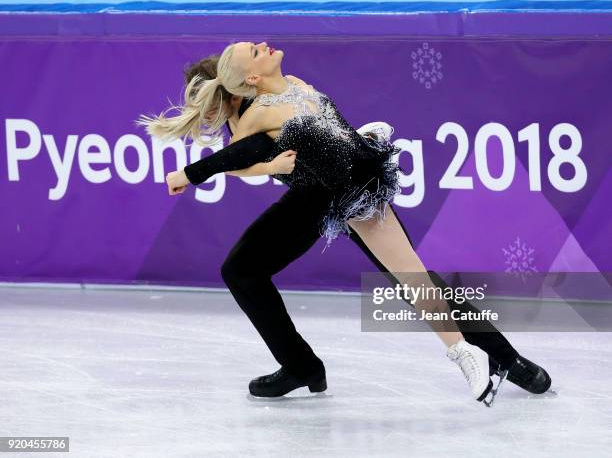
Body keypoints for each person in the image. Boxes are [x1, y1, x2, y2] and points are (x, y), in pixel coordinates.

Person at [137, 44, 551, 405]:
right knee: (242, 270)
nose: (207, 115)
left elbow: (244, 152)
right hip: (311, 196)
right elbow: (244, 158)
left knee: (411, 279)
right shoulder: (246, 110)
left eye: (211, 104)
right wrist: (259, 166)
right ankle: (301, 367)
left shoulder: (258, 106)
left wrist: (192, 174)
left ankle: (506, 359)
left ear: (230, 91)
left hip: (345, 188)